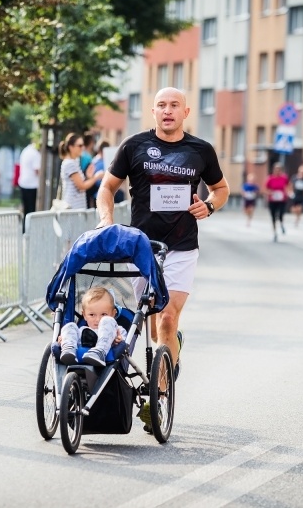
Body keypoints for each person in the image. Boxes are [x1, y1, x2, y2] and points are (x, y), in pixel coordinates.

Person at [96, 86, 230, 395]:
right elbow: (107, 188)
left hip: (182, 247)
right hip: (143, 247)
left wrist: (209, 206)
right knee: (154, 322)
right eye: (161, 105)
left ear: (185, 112)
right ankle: (171, 351)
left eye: (174, 105)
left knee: (168, 317)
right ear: (153, 111)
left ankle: (158, 396)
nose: (167, 110)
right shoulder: (134, 146)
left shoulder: (201, 150)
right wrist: (106, 219)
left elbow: (221, 189)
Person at [58, 287, 124, 367]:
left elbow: (124, 342)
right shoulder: (81, 331)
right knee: (70, 325)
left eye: (104, 314)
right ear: (84, 315)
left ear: (113, 314)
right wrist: (64, 339)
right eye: (92, 315)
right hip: (77, 354)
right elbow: (72, 336)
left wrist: (118, 340)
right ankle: (68, 349)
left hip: (106, 353)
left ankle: (100, 352)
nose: (98, 319)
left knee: (108, 321)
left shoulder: (116, 330)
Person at [59, 132, 102, 210]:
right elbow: (81, 186)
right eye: (80, 146)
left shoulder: (74, 162)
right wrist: (96, 177)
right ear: (71, 147)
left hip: (76, 207)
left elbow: (80, 184)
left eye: (83, 145)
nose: (82, 148)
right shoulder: (70, 163)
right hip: (72, 208)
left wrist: (89, 177)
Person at [18, 141, 41, 223]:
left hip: (23, 182)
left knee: (26, 208)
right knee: (31, 209)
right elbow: (37, 170)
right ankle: (29, 227)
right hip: (32, 184)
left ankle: (25, 226)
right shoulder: (35, 153)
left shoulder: (25, 151)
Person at [265, 162, 288, 241]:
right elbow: (265, 188)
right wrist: (269, 192)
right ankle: (275, 233)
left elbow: (288, 185)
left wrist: (287, 192)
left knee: (281, 214)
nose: (277, 171)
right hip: (272, 199)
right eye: (276, 170)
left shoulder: (284, 178)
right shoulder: (270, 178)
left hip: (281, 199)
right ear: (273, 170)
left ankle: (281, 224)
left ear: (281, 170)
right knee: (273, 216)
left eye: (279, 170)